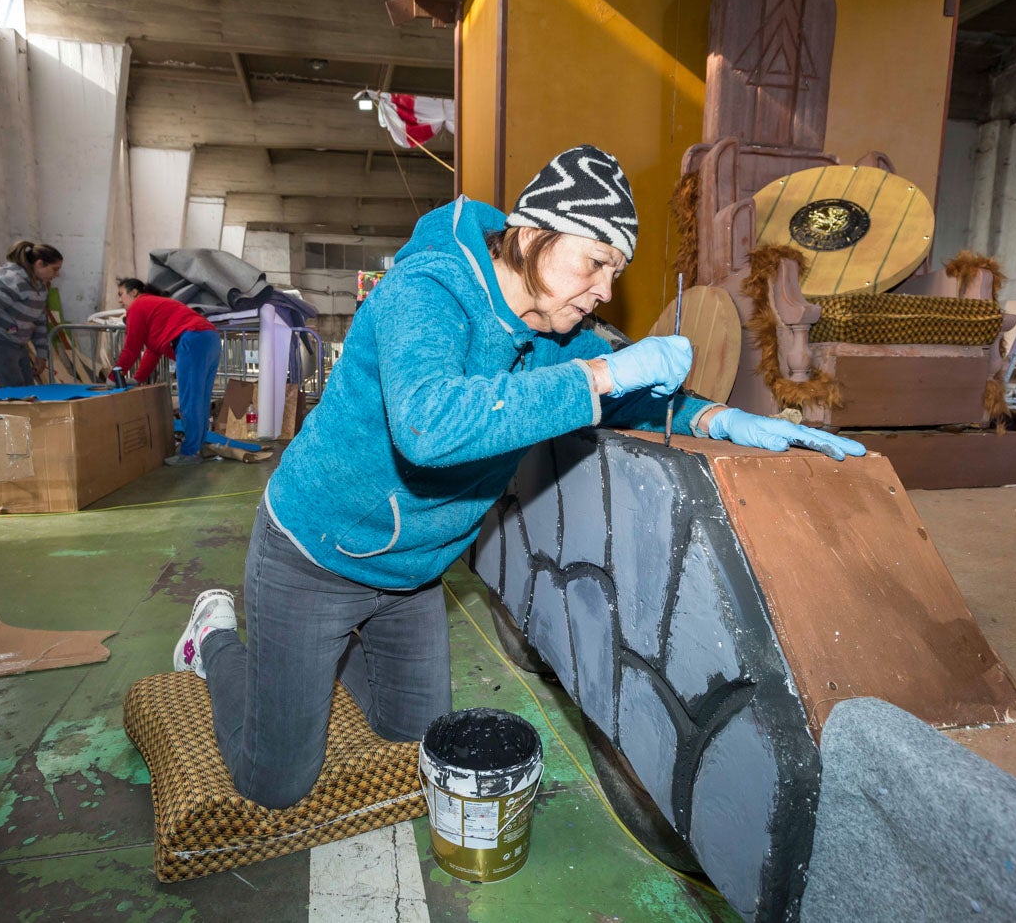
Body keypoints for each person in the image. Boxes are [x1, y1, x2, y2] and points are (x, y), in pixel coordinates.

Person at [172, 145, 865, 809]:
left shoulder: (557, 334)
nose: (603, 291)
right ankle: (216, 641)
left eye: (615, 273)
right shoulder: (427, 289)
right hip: (315, 554)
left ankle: (307, 668)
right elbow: (430, 428)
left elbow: (629, 393)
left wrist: (719, 419)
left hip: (411, 575)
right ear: (532, 234)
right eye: (595, 261)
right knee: (276, 781)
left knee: (411, 737)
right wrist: (602, 372)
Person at [112, 278, 223, 466]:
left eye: (121, 294)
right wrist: (137, 378)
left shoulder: (139, 305)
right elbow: (153, 350)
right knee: (200, 399)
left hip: (192, 340)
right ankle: (197, 446)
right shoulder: (156, 307)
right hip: (209, 338)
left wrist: (113, 376)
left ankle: (190, 453)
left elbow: (131, 348)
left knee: (189, 400)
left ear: (134, 292)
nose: (120, 301)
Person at [0, 240, 62, 388]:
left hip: (16, 344)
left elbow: (39, 323)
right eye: (55, 269)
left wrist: (41, 355)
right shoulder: (10, 280)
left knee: (26, 389)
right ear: (39, 264)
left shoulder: (40, 289)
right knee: (12, 393)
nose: (57, 274)